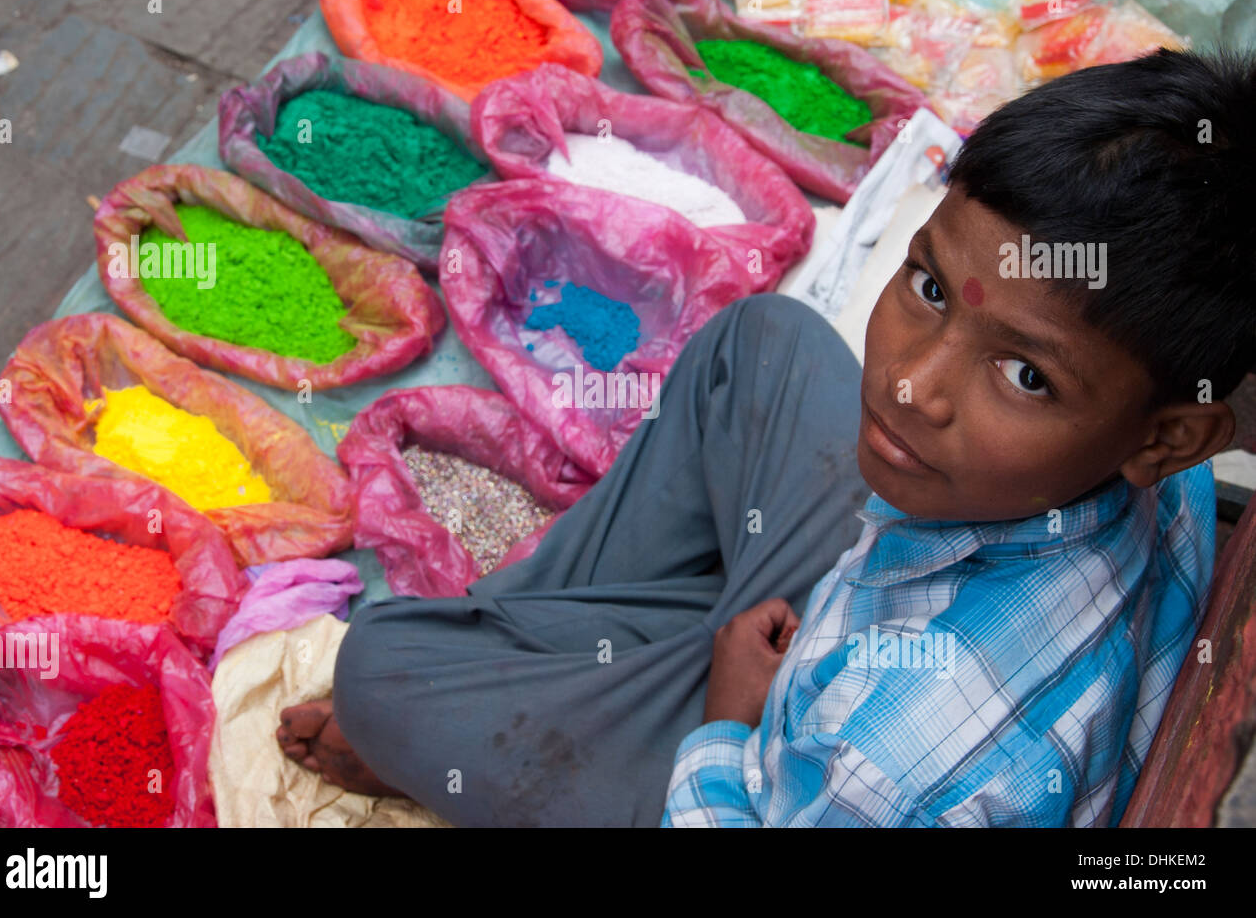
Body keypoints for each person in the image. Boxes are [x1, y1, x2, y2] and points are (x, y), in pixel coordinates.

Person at [276, 48, 1252, 826]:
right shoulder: (1135, 439)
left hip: (783, 766)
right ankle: (549, 662)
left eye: (1024, 375)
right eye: (928, 288)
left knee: (381, 673)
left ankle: (497, 705)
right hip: (932, 569)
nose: (913, 385)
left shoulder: (892, 763)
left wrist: (729, 724)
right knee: (762, 343)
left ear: (1169, 438)